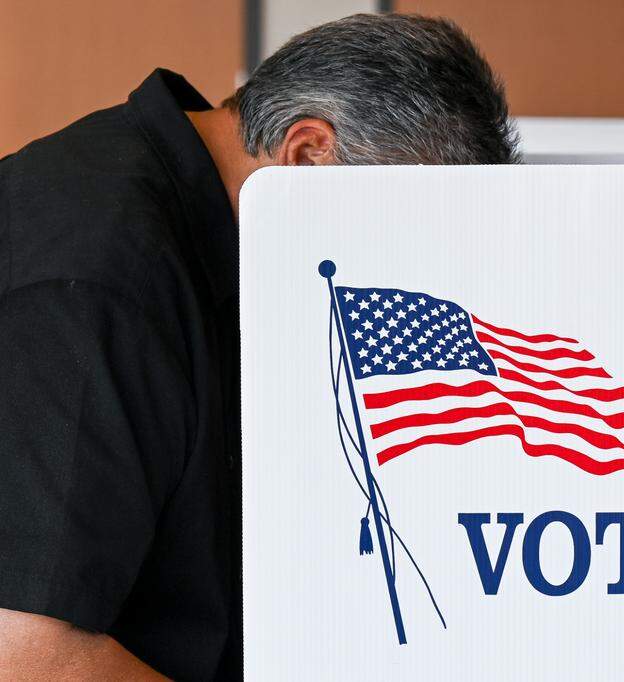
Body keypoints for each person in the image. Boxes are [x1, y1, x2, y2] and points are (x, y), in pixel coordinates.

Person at [0, 14, 516, 679]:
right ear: (307, 153)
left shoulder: (211, 231)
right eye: (402, 225)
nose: (401, 269)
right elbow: (28, 655)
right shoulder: (103, 276)